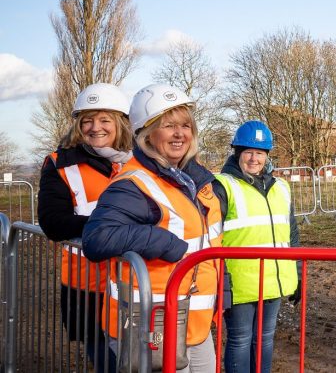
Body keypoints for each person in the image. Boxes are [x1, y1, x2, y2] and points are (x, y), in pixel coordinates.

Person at [83, 84, 223, 373]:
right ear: (147, 135)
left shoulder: (197, 181)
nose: (179, 133)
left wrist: (225, 291)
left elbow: (210, 243)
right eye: (168, 126)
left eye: (185, 125)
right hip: (150, 325)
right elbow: (96, 238)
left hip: (195, 323)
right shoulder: (134, 184)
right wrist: (162, 242)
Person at [37, 82, 132, 373]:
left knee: (140, 358)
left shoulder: (138, 163)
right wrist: (112, 227)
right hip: (87, 285)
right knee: (106, 360)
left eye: (105, 119)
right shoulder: (59, 164)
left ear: (120, 124)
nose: (95, 127)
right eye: (87, 120)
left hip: (134, 282)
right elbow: (53, 223)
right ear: (78, 124)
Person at [211, 120, 300, 373]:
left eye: (260, 153)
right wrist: (221, 281)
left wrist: (298, 273)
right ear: (237, 153)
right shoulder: (223, 186)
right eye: (248, 152)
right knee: (239, 340)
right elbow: (212, 236)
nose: (254, 158)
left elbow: (291, 233)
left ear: (267, 155)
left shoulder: (281, 187)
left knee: (265, 339)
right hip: (239, 283)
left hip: (274, 279)